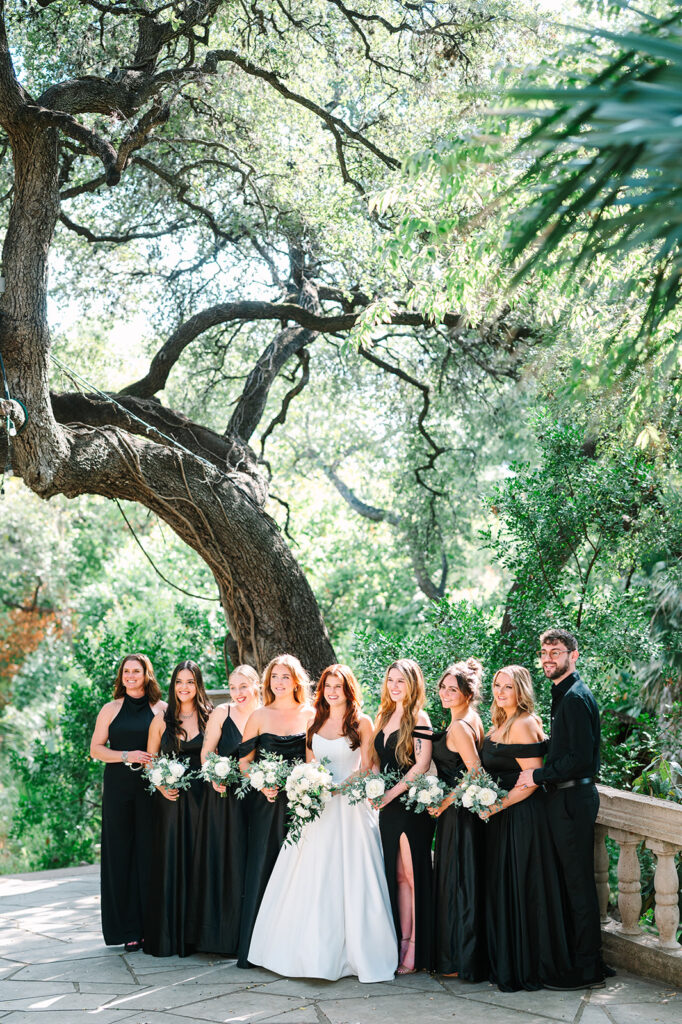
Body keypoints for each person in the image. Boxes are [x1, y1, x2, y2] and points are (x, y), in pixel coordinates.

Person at [248, 664, 398, 982]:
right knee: (313, 875)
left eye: (338, 686)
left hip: (351, 810)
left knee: (354, 877)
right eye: (327, 686)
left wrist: (343, 785)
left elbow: (371, 766)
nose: (332, 691)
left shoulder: (362, 722)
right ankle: (307, 954)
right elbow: (309, 763)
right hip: (319, 807)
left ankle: (358, 955)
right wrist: (312, 785)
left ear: (348, 690)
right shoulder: (314, 722)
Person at [518, 628, 607, 988]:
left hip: (572, 800)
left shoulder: (573, 697)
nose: (548, 658)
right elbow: (567, 746)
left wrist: (537, 774)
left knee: (578, 883)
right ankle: (588, 960)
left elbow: (579, 758)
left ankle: (587, 971)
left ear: (574, 655)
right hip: (567, 799)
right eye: (544, 652)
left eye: (555, 652)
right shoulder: (565, 694)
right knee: (574, 881)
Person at [481, 665, 575, 992]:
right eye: (497, 685)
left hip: (522, 818)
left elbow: (531, 780)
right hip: (502, 817)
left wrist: (495, 806)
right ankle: (508, 959)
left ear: (521, 690)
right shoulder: (501, 722)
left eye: (508, 687)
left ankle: (530, 964)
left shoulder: (523, 724)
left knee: (524, 888)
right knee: (506, 887)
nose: (501, 692)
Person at [236, 653, 314, 968]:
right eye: (274, 677)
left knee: (298, 873)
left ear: (296, 680)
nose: (278, 682)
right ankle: (256, 949)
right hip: (265, 804)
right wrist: (259, 782)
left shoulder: (310, 714)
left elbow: (312, 762)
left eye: (285, 676)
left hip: (299, 806)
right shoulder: (259, 715)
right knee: (263, 869)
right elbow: (244, 762)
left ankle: (293, 950)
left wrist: (306, 787)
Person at [90, 653, 165, 952]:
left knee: (149, 854)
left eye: (136, 671)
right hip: (120, 787)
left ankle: (152, 926)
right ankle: (127, 929)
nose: (131, 676)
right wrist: (125, 755)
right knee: (120, 854)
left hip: (150, 789)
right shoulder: (110, 709)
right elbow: (96, 749)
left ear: (147, 675)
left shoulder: (162, 708)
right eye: (126, 672)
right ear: (121, 677)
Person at [186, 664, 261, 955]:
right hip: (225, 800)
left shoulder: (266, 714)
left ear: (255, 685)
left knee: (253, 862)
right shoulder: (222, 713)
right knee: (227, 861)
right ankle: (223, 937)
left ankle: (254, 936)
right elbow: (206, 752)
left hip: (261, 798)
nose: (238, 693)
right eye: (233, 687)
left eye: (243, 686)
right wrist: (215, 776)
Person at [143, 660, 213, 957]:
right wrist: (159, 785)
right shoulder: (161, 719)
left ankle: (197, 937)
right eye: (179, 682)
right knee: (173, 861)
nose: (184, 687)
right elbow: (150, 760)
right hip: (170, 801)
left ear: (198, 685)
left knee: (199, 862)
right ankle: (169, 937)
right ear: (173, 686)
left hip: (203, 801)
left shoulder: (210, 717)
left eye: (190, 682)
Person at [373, 658, 434, 974]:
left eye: (401, 681)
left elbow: (421, 765)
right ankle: (398, 941)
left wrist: (389, 794)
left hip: (411, 807)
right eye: (391, 680)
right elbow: (375, 758)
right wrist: (372, 786)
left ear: (413, 685)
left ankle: (415, 949)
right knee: (395, 878)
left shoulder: (419, 717)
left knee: (412, 877)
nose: (395, 686)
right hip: (386, 808)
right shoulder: (383, 716)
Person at [429, 659, 488, 980]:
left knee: (457, 882)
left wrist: (443, 803)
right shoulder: (472, 719)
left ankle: (457, 959)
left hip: (458, 812)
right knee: (465, 879)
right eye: (443, 688)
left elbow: (475, 771)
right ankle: (465, 956)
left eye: (453, 689)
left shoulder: (459, 727)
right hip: (467, 811)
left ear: (468, 693)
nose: (445, 693)